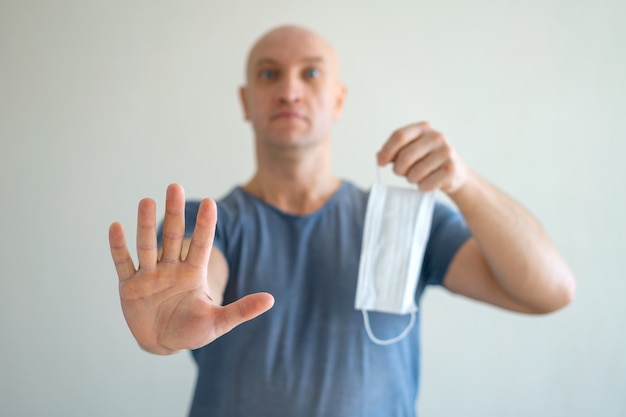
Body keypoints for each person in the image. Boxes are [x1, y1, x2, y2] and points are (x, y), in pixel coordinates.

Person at [108, 25, 575, 417]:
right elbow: (198, 288)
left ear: (338, 99)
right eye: (270, 74)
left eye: (310, 73)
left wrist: (465, 183)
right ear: (246, 100)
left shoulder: (404, 223)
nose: (289, 90)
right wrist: (163, 334)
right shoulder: (208, 223)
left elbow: (550, 291)